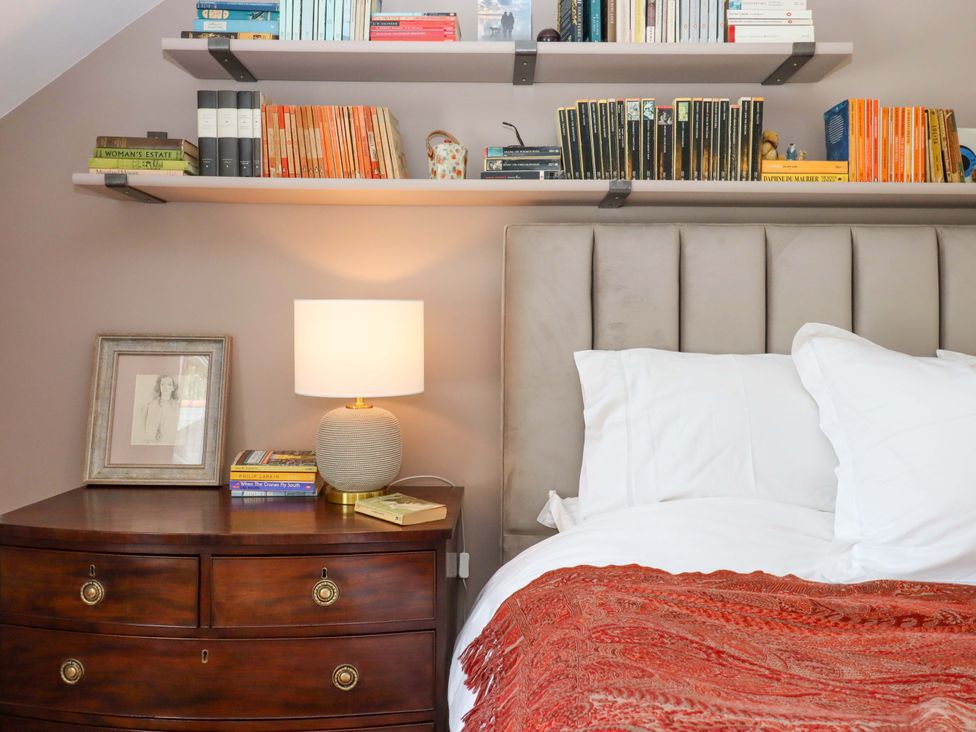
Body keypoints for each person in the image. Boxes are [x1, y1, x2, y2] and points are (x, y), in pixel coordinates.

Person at [140, 374, 181, 445]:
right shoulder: (150, 406)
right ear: (159, 386)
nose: (165, 387)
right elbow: (145, 431)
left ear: (173, 388)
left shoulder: (177, 407)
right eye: (162, 384)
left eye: (169, 384)